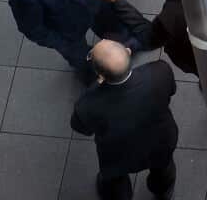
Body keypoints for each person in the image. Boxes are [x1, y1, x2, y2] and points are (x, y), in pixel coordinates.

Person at [71, 38, 179, 200]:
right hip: (161, 140)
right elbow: (171, 91)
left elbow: (80, 127)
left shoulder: (88, 104)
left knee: (115, 184)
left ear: (100, 76)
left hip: (119, 156)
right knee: (163, 168)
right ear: (128, 52)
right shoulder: (160, 72)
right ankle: (163, 190)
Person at [85, 0, 198, 77]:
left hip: (194, 61)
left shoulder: (173, 11)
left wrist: (117, 1)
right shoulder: (175, 9)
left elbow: (150, 36)